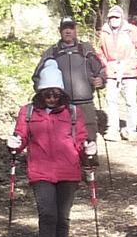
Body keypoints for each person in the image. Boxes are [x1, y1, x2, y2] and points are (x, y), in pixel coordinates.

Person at [6, 60, 96, 237]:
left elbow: (81, 139)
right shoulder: (28, 112)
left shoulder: (73, 112)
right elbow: (21, 137)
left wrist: (88, 148)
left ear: (62, 93)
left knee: (62, 217)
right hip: (41, 171)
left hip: (69, 171)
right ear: (40, 93)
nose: (52, 98)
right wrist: (15, 143)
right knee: (47, 214)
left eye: (56, 93)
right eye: (47, 94)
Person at [34, 16, 105, 146]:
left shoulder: (86, 49)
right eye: (64, 28)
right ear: (59, 31)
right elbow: (37, 75)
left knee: (89, 137)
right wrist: (46, 94)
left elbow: (100, 69)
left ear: (75, 30)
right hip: (60, 103)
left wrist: (101, 79)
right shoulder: (52, 52)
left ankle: (90, 162)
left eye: (71, 28)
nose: (68, 31)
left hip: (85, 102)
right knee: (63, 138)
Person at [98, 4, 137, 141]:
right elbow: (100, 51)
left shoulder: (132, 30)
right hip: (111, 71)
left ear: (121, 18)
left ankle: (131, 129)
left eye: (117, 17)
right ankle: (113, 129)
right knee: (111, 100)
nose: (114, 19)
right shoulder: (104, 32)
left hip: (129, 71)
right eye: (111, 17)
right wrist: (105, 65)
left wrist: (131, 64)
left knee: (130, 101)